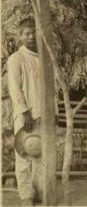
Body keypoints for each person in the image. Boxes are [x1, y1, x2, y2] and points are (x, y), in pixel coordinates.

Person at [7, 18, 42, 206]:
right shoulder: (16, 59)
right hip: (25, 115)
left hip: (42, 113)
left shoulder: (44, 58)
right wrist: (25, 112)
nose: (31, 37)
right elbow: (15, 88)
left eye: (34, 32)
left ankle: (38, 191)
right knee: (23, 156)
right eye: (27, 33)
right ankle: (26, 196)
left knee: (40, 155)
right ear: (20, 36)